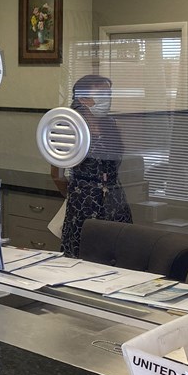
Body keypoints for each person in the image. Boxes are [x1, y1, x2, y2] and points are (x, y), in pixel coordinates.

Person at [51, 74, 132, 257]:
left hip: (115, 199)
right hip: (83, 202)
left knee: (118, 255)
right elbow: (57, 175)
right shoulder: (68, 127)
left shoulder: (112, 124)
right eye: (101, 93)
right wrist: (78, 193)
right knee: (83, 254)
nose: (107, 99)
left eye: (109, 93)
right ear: (82, 98)